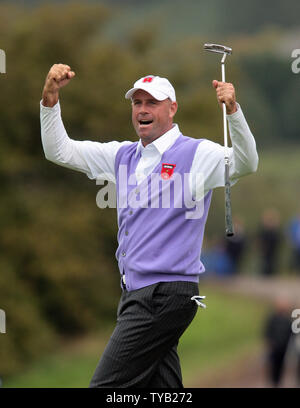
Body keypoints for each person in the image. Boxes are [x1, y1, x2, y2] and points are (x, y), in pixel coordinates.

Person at [40, 64, 258, 388]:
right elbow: (59, 150)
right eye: (137, 103)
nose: (142, 109)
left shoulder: (195, 153)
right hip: (137, 294)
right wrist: (50, 100)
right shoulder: (122, 156)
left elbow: (246, 163)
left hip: (164, 294)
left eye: (151, 103)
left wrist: (234, 114)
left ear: (172, 108)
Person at [263, 297, 293, 387]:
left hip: (284, 347)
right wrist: (269, 341)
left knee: (281, 365)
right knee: (273, 365)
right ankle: (273, 381)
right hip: (274, 347)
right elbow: (267, 330)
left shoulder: (288, 320)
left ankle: (278, 381)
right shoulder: (272, 318)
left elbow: (291, 332)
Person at [257, 208, 281, 277]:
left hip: (273, 251)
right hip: (265, 251)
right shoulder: (263, 230)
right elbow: (260, 240)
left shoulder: (275, 231)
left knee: (272, 265)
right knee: (264, 265)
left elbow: (278, 240)